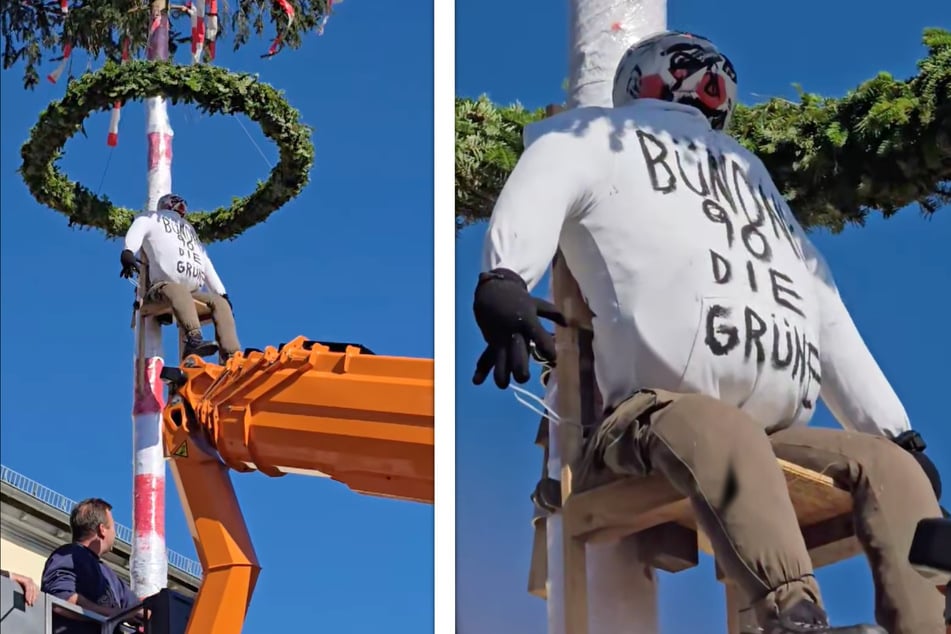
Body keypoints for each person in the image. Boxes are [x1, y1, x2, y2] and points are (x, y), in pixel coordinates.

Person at [472, 31, 945, 634]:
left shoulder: (749, 177)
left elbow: (823, 309)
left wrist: (896, 433)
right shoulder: (595, 138)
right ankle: (793, 615)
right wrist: (506, 276)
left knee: (888, 467)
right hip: (651, 416)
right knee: (721, 430)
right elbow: (544, 181)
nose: (706, 84)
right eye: (692, 71)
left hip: (770, 434)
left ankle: (925, 623)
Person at [120, 192, 241, 361]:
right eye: (175, 202)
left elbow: (205, 262)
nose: (180, 206)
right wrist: (128, 251)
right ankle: (194, 338)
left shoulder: (189, 231)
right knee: (178, 290)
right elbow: (138, 228)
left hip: (191, 292)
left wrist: (221, 292)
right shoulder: (151, 218)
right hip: (161, 288)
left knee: (219, 303)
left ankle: (232, 355)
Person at [41, 498, 143, 634]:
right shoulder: (69, 555)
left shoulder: (111, 577)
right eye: (113, 527)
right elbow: (60, 599)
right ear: (102, 530)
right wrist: (112, 614)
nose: (115, 534)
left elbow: (138, 610)